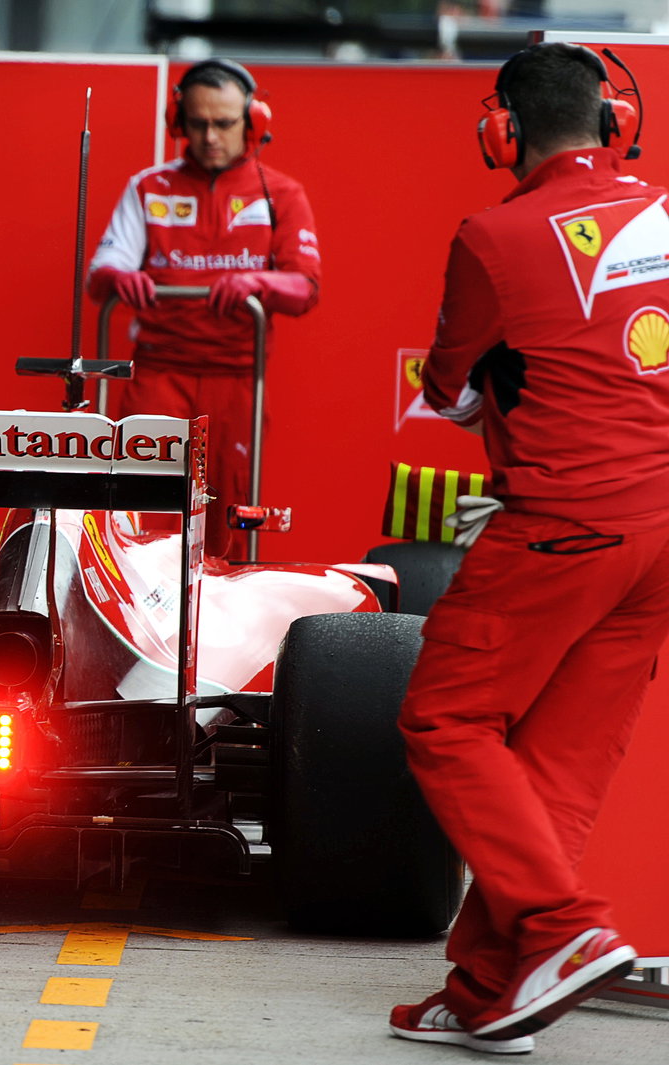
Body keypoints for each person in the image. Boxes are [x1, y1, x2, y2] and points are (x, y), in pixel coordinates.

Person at [388, 42, 668, 1054]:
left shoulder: (492, 235)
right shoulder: (668, 216)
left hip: (561, 521)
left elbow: (449, 389)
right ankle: (487, 989)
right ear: (614, 121)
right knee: (550, 772)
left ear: (499, 128)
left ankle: (563, 929)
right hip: (659, 537)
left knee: (444, 719)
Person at [86, 58, 319, 557]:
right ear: (179, 122)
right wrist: (121, 276)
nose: (210, 136)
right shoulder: (149, 187)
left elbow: (305, 288)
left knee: (228, 514)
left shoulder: (281, 193)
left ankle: (219, 627)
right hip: (157, 375)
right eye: (198, 123)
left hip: (237, 380)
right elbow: (100, 273)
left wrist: (258, 280)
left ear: (254, 122)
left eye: (224, 123)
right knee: (141, 515)